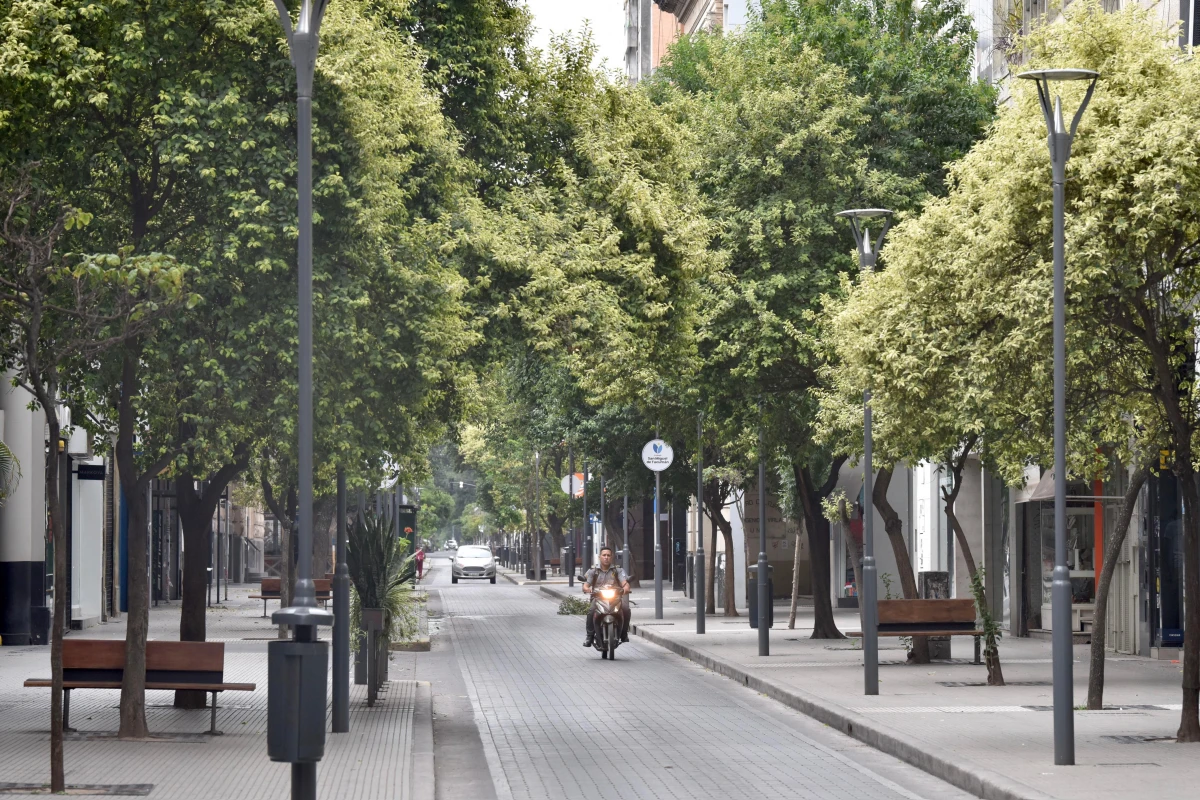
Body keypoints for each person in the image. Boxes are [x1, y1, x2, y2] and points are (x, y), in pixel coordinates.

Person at [582, 546, 631, 646]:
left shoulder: (618, 571)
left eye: (608, 555)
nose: (606, 557)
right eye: (604, 555)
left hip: (615, 598)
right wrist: (587, 589)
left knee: (626, 609)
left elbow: (624, 582)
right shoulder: (593, 571)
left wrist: (626, 588)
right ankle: (589, 636)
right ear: (599, 557)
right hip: (598, 599)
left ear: (612, 557)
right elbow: (586, 585)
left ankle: (624, 633)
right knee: (591, 611)